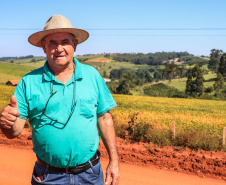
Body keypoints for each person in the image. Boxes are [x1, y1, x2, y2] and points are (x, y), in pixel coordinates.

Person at [0, 15, 120, 185]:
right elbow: (14, 132)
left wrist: (114, 161)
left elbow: (104, 118)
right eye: (52, 43)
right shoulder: (28, 82)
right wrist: (7, 123)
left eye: (65, 42)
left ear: (74, 45)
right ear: (43, 47)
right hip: (48, 176)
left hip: (90, 174)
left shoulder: (92, 75)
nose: (59, 48)